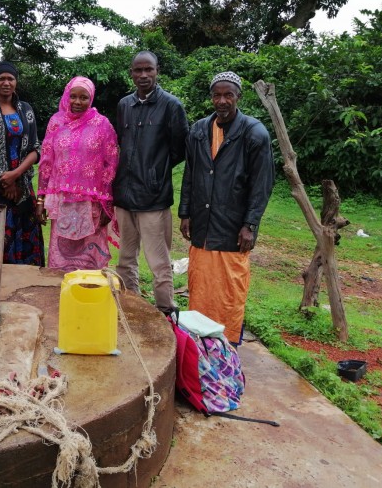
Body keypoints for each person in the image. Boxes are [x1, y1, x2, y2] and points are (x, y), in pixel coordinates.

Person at [178, 71, 274, 345]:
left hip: (233, 226)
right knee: (201, 285)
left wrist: (250, 225)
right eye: (217, 95)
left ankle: (226, 343)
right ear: (211, 97)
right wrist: (185, 212)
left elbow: (262, 184)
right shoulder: (198, 130)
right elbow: (191, 174)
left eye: (228, 95)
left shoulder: (254, 133)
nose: (222, 101)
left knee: (230, 287)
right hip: (202, 222)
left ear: (238, 97)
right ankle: (198, 340)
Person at [113, 51, 189, 315]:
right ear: (131, 73)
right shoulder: (124, 105)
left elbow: (179, 149)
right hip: (123, 194)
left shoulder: (171, 105)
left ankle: (166, 312)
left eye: (149, 70)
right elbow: (121, 145)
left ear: (157, 71)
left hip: (153, 198)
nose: (143, 75)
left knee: (159, 263)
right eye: (138, 70)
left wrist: (155, 172)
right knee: (124, 260)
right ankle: (130, 306)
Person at [36, 76, 119, 271]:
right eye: (73, 96)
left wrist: (107, 204)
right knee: (60, 260)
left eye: (84, 97)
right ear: (67, 96)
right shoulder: (56, 122)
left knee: (90, 261)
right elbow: (46, 162)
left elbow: (111, 163)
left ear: (91, 99)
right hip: (62, 201)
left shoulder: (102, 124)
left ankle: (89, 294)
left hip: (91, 204)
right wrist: (40, 200)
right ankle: (62, 294)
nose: (77, 102)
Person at [0, 61, 44, 266]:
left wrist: (15, 175)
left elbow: (35, 148)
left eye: (10, 78)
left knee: (25, 240)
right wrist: (4, 180)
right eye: (1, 78)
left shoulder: (26, 110)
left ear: (16, 82)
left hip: (22, 189)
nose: (6, 82)